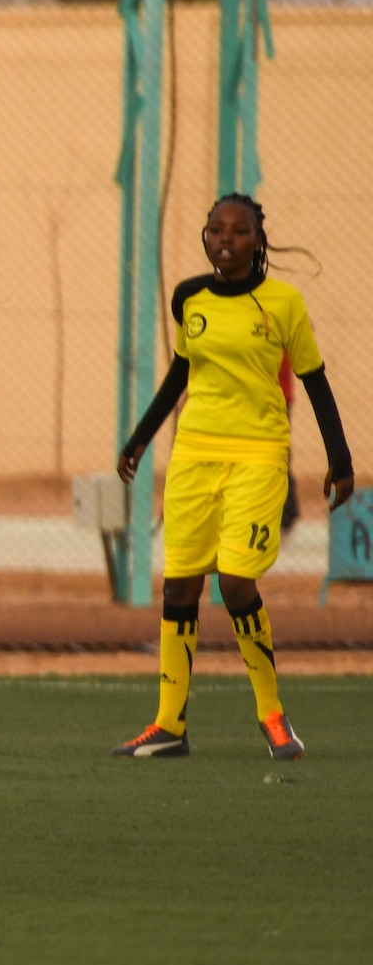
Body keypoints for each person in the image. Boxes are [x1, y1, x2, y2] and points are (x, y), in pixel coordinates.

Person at [111, 194, 353, 761]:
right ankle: (169, 725)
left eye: (239, 231)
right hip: (194, 454)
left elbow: (315, 381)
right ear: (205, 237)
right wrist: (141, 438)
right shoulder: (188, 299)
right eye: (216, 229)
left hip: (258, 455)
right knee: (179, 585)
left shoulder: (284, 303)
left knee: (236, 580)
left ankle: (272, 715)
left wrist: (340, 461)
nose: (225, 239)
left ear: (257, 240)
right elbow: (181, 372)